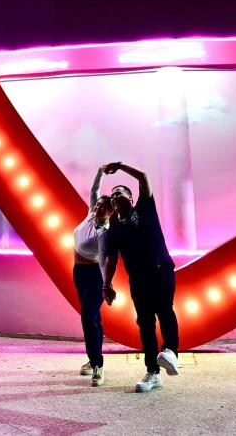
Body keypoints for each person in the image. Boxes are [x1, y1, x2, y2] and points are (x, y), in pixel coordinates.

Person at [101, 161, 179, 392]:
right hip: (137, 279)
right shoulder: (114, 225)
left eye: (119, 193)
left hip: (160, 270)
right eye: (112, 196)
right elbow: (111, 258)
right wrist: (106, 283)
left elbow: (144, 176)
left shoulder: (144, 208)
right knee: (145, 323)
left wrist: (121, 166)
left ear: (131, 198)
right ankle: (152, 373)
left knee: (165, 310)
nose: (114, 197)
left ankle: (171, 352)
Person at [73, 166, 114, 387]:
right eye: (97, 204)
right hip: (78, 272)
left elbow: (107, 260)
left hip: (94, 277)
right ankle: (93, 358)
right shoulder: (90, 215)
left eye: (102, 206)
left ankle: (98, 365)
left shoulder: (105, 232)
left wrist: (107, 285)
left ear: (110, 212)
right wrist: (99, 171)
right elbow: (94, 190)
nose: (97, 206)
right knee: (92, 319)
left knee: (88, 319)